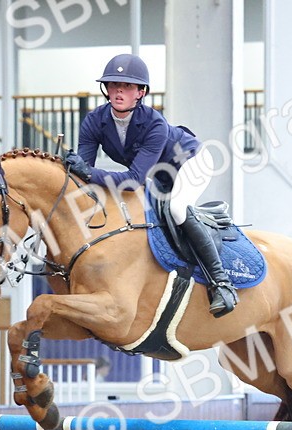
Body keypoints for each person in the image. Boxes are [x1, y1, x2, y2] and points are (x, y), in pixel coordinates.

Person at [62, 53, 237, 317]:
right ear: (106, 89)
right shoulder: (94, 121)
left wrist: (87, 171)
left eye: (128, 86)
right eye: (113, 85)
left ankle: (221, 283)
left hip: (192, 162)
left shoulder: (154, 123)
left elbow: (132, 180)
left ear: (141, 92)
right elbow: (83, 177)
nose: (119, 90)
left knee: (177, 209)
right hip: (159, 175)